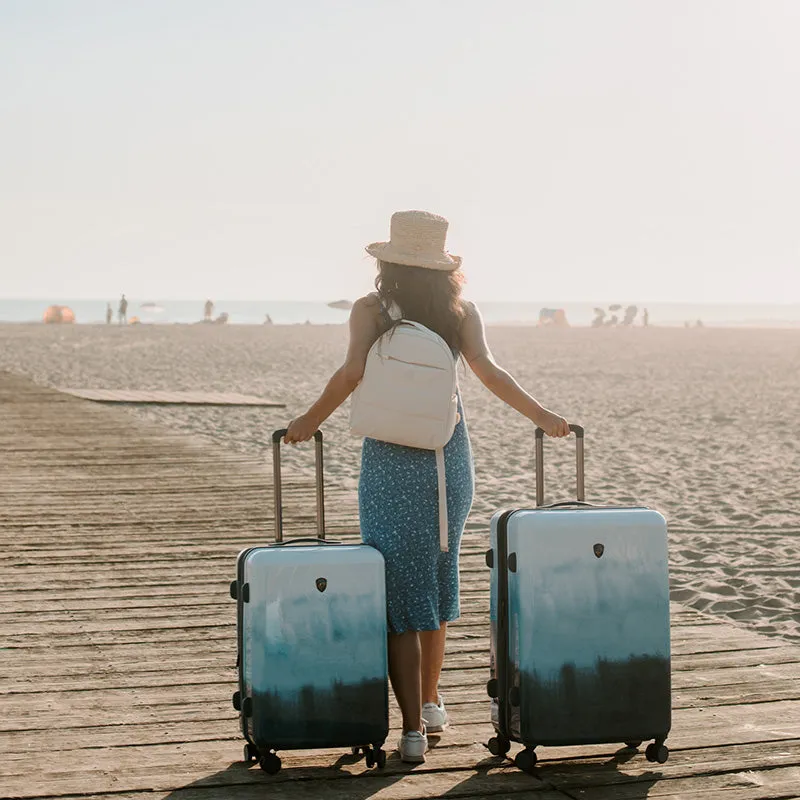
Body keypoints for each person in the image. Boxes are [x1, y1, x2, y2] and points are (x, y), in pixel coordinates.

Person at [283, 210, 569, 763]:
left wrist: (308, 422)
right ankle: (433, 703)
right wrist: (543, 415)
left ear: (386, 262)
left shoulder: (370, 311)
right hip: (447, 459)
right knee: (436, 580)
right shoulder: (460, 312)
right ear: (444, 267)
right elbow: (487, 372)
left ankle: (412, 730)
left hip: (389, 457)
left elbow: (350, 376)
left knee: (396, 592)